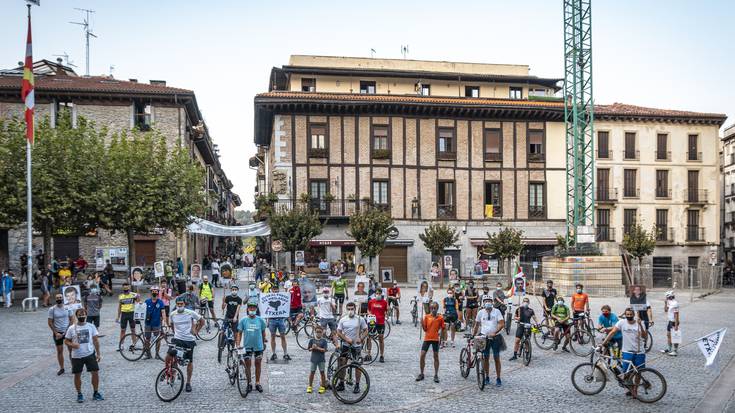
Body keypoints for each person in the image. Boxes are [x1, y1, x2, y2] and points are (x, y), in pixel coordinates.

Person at [600, 307, 648, 399]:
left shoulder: (640, 323)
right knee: (626, 373)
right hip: (627, 351)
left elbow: (645, 337)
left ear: (633, 315)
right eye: (627, 314)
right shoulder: (622, 322)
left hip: (639, 352)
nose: (629, 316)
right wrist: (603, 343)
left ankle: (635, 390)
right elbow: (612, 332)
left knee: (638, 373)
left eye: (631, 314)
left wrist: (640, 325)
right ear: (625, 315)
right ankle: (629, 388)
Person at [65, 308, 103, 403]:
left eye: (83, 314)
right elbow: (66, 341)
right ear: (76, 316)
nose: (81, 316)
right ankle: (79, 394)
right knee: (77, 375)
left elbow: (95, 340)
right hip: (77, 356)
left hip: (90, 354)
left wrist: (98, 353)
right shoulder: (71, 328)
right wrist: (72, 344)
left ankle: (96, 392)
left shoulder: (91, 326)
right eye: (79, 314)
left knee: (95, 373)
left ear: (86, 316)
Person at [168, 296, 203, 392]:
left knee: (189, 362)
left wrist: (196, 331)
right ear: (176, 304)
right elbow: (171, 324)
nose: (179, 306)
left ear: (184, 304)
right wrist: (174, 332)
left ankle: (188, 382)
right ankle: (171, 374)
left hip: (188, 340)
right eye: (178, 304)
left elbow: (202, 321)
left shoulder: (190, 313)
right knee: (171, 356)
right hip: (177, 339)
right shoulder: (173, 314)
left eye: (181, 304)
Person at [335, 302, 367, 393]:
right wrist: (346, 339)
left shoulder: (360, 319)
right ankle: (341, 383)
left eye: (352, 309)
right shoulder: (343, 319)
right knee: (343, 364)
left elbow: (366, 330)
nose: (350, 311)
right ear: (346, 309)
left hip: (356, 346)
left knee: (357, 365)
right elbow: (339, 332)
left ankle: (357, 384)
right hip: (346, 345)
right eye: (348, 309)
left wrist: (361, 338)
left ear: (355, 309)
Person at [473, 296, 505, 387]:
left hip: (495, 337)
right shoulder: (480, 312)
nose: (488, 302)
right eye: (486, 301)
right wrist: (473, 334)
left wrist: (495, 332)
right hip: (483, 336)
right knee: (485, 357)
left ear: (492, 302)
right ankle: (486, 376)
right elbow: (477, 325)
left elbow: (502, 323)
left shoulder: (497, 311)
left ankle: (498, 378)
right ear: (483, 303)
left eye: (489, 301)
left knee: (496, 357)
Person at [236, 302, 267, 393]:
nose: (252, 310)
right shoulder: (243, 320)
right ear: (248, 309)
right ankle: (249, 383)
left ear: (256, 309)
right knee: (247, 365)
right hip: (247, 347)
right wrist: (238, 344)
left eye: (254, 308)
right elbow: (239, 333)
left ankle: (257, 383)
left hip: (258, 346)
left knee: (258, 363)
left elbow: (263, 332)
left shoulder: (261, 320)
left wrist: (264, 341)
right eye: (250, 308)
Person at [417, 301, 444, 383]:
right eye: (431, 308)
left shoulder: (440, 318)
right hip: (427, 338)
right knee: (422, 355)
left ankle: (436, 375)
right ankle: (421, 373)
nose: (433, 309)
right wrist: (422, 323)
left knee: (435, 356)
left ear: (437, 308)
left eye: (434, 308)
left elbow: (443, 329)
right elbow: (425, 329)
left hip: (435, 339)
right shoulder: (427, 317)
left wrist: (441, 339)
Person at [49, 293, 73, 375]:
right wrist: (55, 332)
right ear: (55, 299)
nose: (59, 299)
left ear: (63, 298)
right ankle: (62, 368)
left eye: (60, 297)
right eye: (57, 298)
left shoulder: (68, 308)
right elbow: (50, 322)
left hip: (67, 332)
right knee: (59, 351)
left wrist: (67, 331)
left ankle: (74, 366)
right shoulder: (52, 309)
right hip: (58, 333)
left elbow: (72, 320)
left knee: (71, 350)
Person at [509, 297, 538, 361]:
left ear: (529, 303)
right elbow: (515, 317)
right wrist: (517, 318)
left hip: (528, 326)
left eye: (527, 301)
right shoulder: (519, 309)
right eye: (524, 301)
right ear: (522, 302)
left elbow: (534, 317)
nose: (526, 302)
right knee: (517, 341)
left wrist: (537, 323)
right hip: (521, 325)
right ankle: (514, 354)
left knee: (527, 341)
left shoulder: (531, 310)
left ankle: (527, 353)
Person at [267, 284, 291, 361]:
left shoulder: (282, 297)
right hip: (272, 319)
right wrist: (267, 320)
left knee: (283, 336)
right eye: (274, 289)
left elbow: (286, 306)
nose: (275, 291)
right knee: (272, 336)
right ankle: (274, 353)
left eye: (276, 289)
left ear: (278, 290)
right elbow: (266, 309)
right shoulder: (268, 298)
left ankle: (285, 353)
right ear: (271, 290)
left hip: (281, 319)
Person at [144, 286, 167, 359]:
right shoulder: (147, 301)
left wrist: (165, 322)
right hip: (148, 323)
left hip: (157, 323)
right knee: (147, 339)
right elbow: (142, 310)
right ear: (151, 292)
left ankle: (157, 354)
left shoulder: (160, 302)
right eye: (153, 291)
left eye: (156, 291)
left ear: (158, 292)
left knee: (158, 339)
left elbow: (163, 312)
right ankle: (148, 354)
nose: (154, 292)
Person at [366, 288, 388, 362]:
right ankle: (369, 354)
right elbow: (368, 309)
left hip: (381, 322)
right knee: (369, 337)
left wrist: (389, 310)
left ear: (381, 294)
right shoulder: (371, 301)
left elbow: (387, 312)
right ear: (375, 294)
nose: (378, 294)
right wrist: (369, 313)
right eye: (377, 293)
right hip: (372, 321)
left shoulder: (384, 302)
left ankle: (381, 355)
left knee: (381, 338)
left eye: (379, 293)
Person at [306, 325, 329, 394]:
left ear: (322, 333)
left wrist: (317, 348)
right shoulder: (312, 340)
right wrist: (312, 348)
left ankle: (323, 386)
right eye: (317, 332)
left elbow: (325, 350)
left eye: (320, 332)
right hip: (313, 359)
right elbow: (309, 349)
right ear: (315, 332)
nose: (318, 333)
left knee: (322, 372)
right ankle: (310, 385)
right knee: (312, 372)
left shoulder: (324, 341)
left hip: (321, 360)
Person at [116, 283, 138, 352]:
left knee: (133, 330)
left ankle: (133, 345)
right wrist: (118, 316)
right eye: (124, 288)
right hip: (124, 314)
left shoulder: (133, 295)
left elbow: (139, 301)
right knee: (122, 330)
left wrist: (138, 295)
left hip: (132, 313)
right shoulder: (121, 296)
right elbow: (119, 307)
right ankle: (121, 346)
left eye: (127, 287)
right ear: (123, 288)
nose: (126, 289)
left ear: (129, 288)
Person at [661, 291, 680, 356]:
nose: (666, 298)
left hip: (674, 321)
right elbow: (666, 310)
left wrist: (676, 325)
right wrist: (665, 303)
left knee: (675, 336)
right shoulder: (669, 302)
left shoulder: (675, 303)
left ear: (669, 296)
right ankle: (669, 349)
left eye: (666, 296)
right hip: (670, 321)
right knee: (668, 335)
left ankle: (675, 351)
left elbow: (676, 314)